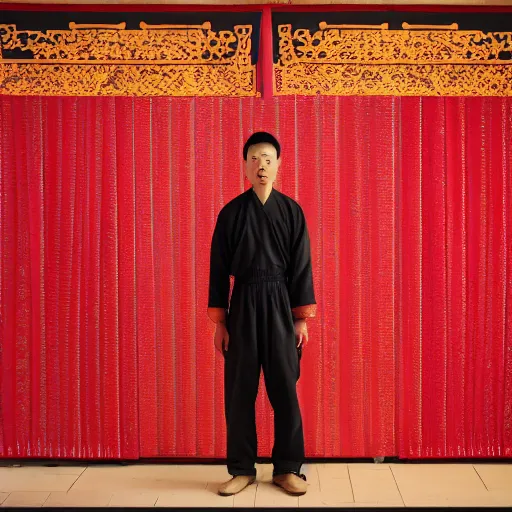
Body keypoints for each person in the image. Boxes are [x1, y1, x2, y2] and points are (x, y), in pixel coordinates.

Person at [208, 131, 317, 497]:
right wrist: (221, 322)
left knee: (284, 386)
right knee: (239, 389)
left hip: (281, 302)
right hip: (243, 303)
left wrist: (299, 316)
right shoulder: (231, 214)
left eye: (268, 158)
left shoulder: (291, 211)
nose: (261, 165)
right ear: (244, 165)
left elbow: (301, 266)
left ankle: (287, 468)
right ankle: (242, 469)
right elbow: (219, 269)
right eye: (254, 158)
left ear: (279, 164)